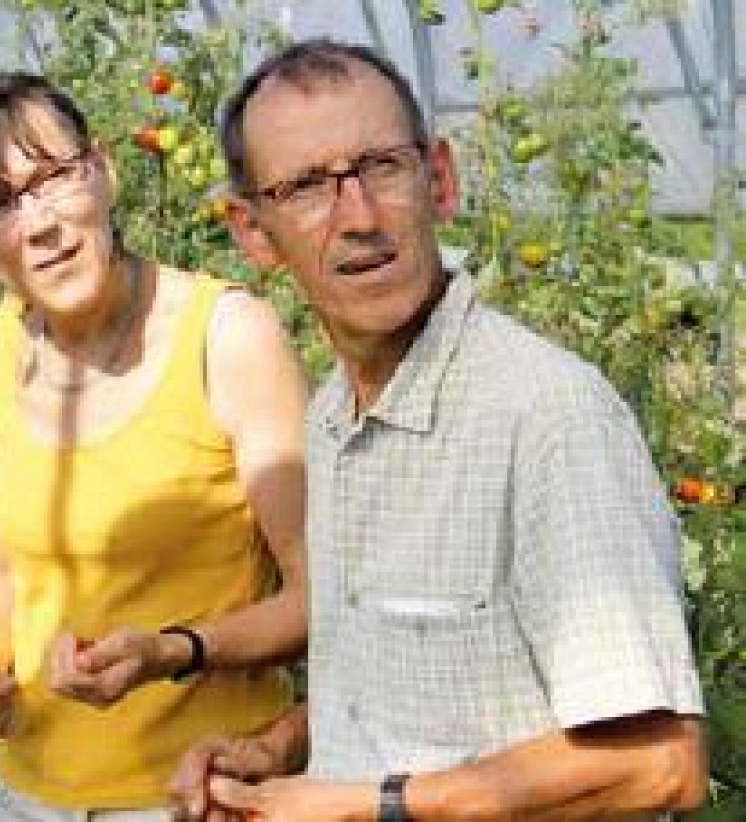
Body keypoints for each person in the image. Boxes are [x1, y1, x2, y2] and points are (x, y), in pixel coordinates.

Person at [168, 39, 708, 821]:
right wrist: (277, 749)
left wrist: (369, 806)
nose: (359, 218)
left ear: (439, 180)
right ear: (254, 233)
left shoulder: (547, 418)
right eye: (308, 188)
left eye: (382, 166)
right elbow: (400, 686)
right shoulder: (328, 421)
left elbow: (661, 764)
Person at [0, 72, 311, 818]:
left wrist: (169, 650)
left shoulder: (226, 337)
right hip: (25, 796)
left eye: (54, 179)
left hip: (196, 793)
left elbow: (320, 597)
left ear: (102, 171)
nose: (40, 225)